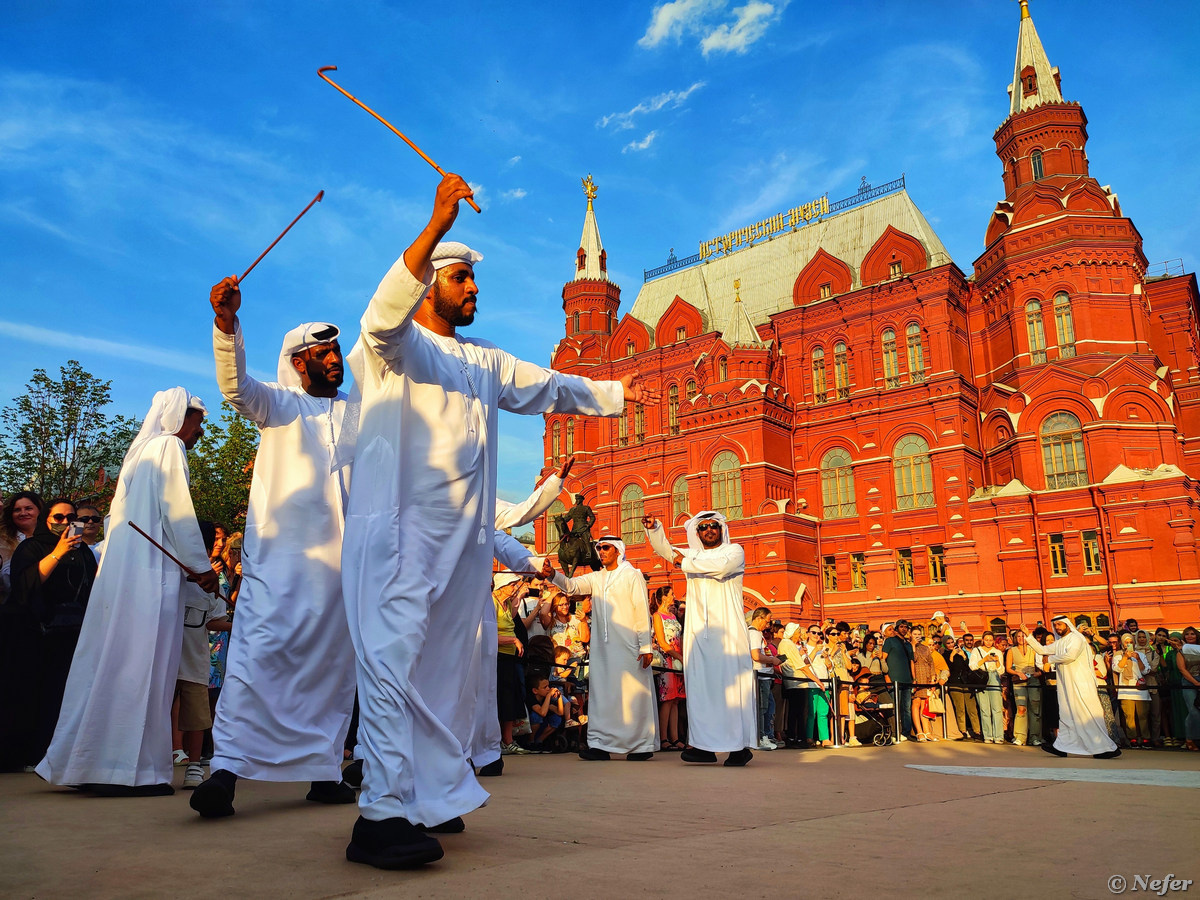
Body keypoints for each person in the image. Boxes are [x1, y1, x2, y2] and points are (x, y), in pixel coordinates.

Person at [339, 174, 646, 869]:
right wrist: (435, 225)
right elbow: (380, 318)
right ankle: (378, 820)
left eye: (475, 281)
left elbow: (552, 387)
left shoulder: (484, 362)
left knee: (444, 676)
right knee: (393, 670)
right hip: (398, 537)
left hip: (460, 549)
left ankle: (422, 798)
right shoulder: (397, 349)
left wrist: (622, 395)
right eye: (460, 280)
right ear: (429, 286)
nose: (474, 289)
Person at [192, 281, 357, 819]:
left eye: (336, 351)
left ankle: (324, 771)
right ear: (298, 362)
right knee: (254, 662)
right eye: (323, 353)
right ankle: (226, 772)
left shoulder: (360, 413)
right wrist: (225, 325)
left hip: (342, 574)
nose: (335, 359)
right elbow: (235, 386)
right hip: (280, 571)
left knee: (333, 672)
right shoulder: (278, 405)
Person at [37, 387, 220, 795]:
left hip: (123, 580)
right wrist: (202, 567)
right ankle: (127, 770)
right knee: (143, 665)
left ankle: (91, 763)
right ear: (178, 418)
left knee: (112, 663)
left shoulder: (137, 454)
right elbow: (179, 512)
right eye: (198, 422)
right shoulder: (169, 446)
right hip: (150, 582)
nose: (199, 432)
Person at [644, 512, 756, 766]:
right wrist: (655, 529)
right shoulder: (692, 556)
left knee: (731, 690)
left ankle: (738, 748)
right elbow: (666, 551)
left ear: (721, 529)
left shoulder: (734, 551)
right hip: (698, 634)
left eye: (713, 526)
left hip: (728, 634)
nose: (708, 530)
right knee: (701, 690)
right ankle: (704, 746)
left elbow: (721, 569)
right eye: (703, 527)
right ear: (697, 532)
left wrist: (683, 563)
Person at [7, 498, 97, 769]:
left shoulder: (83, 552)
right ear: (46, 519)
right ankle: (35, 755)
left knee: (69, 695)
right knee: (41, 695)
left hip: (75, 632)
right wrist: (58, 551)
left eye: (71, 518)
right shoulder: (31, 547)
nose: (66, 523)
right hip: (38, 634)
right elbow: (25, 585)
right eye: (59, 518)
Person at [558, 536, 657, 761]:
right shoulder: (596, 578)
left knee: (632, 695)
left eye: (605, 548)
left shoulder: (632, 575)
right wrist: (553, 575)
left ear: (618, 550)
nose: (600, 551)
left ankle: (640, 745)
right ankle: (600, 744)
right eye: (599, 548)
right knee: (603, 695)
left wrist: (645, 646)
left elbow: (642, 610)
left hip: (630, 647)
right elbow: (572, 586)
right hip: (602, 649)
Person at [178, 522, 231, 790]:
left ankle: (194, 765)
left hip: (194, 659)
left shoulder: (214, 581)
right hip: (163, 661)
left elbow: (215, 620)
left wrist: (242, 624)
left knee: (197, 716)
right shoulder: (167, 574)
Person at [1019, 617, 1120, 758]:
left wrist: (1051, 661)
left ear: (1067, 624)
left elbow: (1070, 656)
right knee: (1067, 715)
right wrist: (1028, 635)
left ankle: (1106, 748)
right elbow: (1042, 650)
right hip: (1067, 684)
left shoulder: (1076, 638)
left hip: (1082, 683)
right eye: (1055, 625)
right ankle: (1062, 746)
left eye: (1060, 624)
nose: (1057, 627)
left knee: (1087, 715)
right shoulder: (1060, 642)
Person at [650, 585, 686, 751]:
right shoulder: (658, 616)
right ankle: (663, 737)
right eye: (671, 594)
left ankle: (675, 737)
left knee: (677, 699)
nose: (673, 596)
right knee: (667, 698)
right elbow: (662, 642)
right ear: (664, 597)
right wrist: (678, 656)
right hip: (667, 659)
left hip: (678, 658)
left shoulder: (672, 615)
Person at [1112, 632, 1150, 747]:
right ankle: (1132, 738)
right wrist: (1125, 657)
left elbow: (1145, 671)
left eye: (1131, 642)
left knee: (1143, 715)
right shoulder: (1118, 655)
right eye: (1126, 642)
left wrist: (1138, 659)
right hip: (1126, 690)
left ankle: (1145, 738)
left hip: (1140, 689)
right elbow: (1117, 669)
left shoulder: (1140, 655)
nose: (1128, 644)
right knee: (1129, 716)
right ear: (1122, 644)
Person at [1007, 628, 1043, 746]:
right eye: (1019, 636)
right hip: (1019, 680)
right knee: (1021, 708)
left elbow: (1040, 663)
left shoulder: (1033, 649)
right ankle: (1020, 736)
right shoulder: (1011, 650)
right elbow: (1008, 668)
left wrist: (1038, 673)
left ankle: (1035, 737)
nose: (1021, 639)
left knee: (1034, 707)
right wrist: (1018, 673)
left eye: (1023, 636)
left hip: (1033, 680)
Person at [969, 631, 1005, 745]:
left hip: (994, 676)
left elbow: (1001, 671)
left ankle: (998, 736)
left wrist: (997, 661)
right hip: (982, 677)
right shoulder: (977, 650)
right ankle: (988, 736)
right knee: (984, 709)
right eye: (986, 639)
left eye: (991, 640)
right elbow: (972, 666)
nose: (988, 642)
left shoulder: (998, 652)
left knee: (997, 709)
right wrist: (984, 659)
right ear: (983, 640)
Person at [883, 620, 916, 741]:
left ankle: (906, 732)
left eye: (906, 627)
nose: (904, 629)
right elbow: (883, 658)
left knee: (906, 708)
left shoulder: (908, 644)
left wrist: (914, 678)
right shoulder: (890, 641)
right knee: (895, 706)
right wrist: (886, 676)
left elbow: (912, 662)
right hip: (894, 679)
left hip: (907, 680)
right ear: (897, 628)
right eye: (901, 627)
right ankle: (895, 731)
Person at [1172, 626, 1200, 751]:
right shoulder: (1180, 651)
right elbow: (1182, 669)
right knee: (1193, 711)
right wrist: (1196, 683)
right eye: (1187, 634)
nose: (1190, 636)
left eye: (1192, 634)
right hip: (1188, 682)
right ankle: (1189, 739)